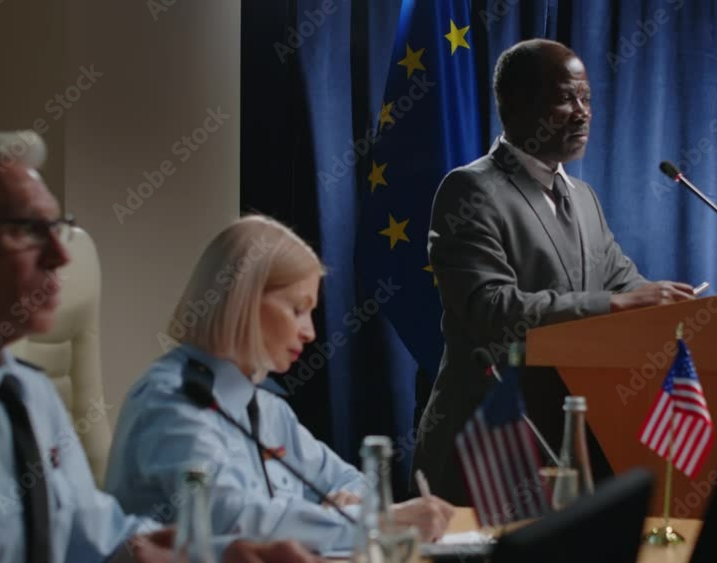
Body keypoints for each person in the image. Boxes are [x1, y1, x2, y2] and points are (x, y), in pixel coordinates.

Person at [0, 130, 322, 563]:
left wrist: (220, 554)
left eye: (57, 227)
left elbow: (91, 532)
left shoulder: (27, 393)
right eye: (27, 228)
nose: (61, 256)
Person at [412, 39, 697, 505]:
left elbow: (625, 282)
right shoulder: (470, 189)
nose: (582, 112)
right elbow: (489, 308)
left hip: (567, 440)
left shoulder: (583, 196)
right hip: (489, 442)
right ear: (516, 104)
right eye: (566, 98)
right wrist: (614, 304)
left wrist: (692, 307)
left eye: (586, 98)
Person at [105, 215, 455, 554]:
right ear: (244, 300)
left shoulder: (268, 409)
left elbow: (348, 479)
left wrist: (353, 503)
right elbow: (234, 520)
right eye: (297, 309)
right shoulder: (171, 403)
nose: (310, 332)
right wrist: (378, 523)